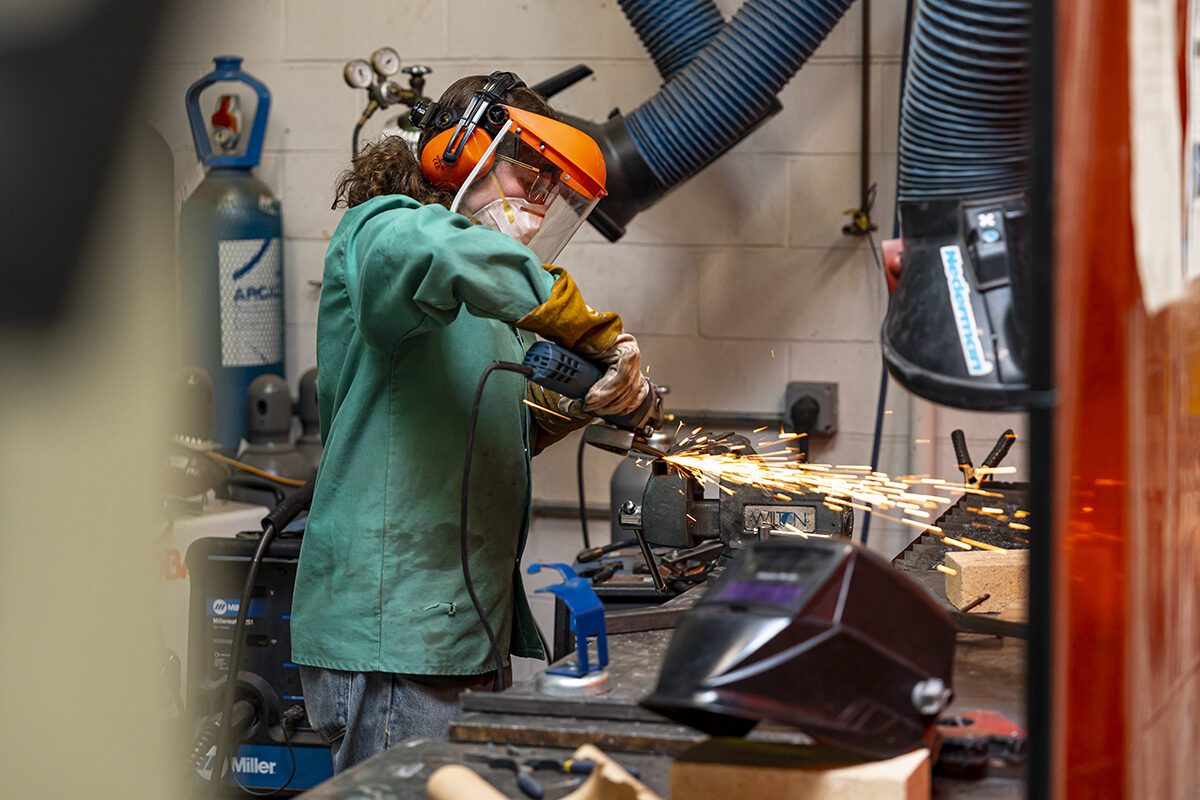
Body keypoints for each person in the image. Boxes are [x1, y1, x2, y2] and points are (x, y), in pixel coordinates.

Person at [290, 72, 651, 773]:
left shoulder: (486, 304)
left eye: (554, 190)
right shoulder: (387, 232)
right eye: (530, 175)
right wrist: (585, 326)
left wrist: (584, 400)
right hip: (397, 631)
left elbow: (497, 422)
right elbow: (440, 247)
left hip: (458, 630)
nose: (540, 203)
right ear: (459, 153)